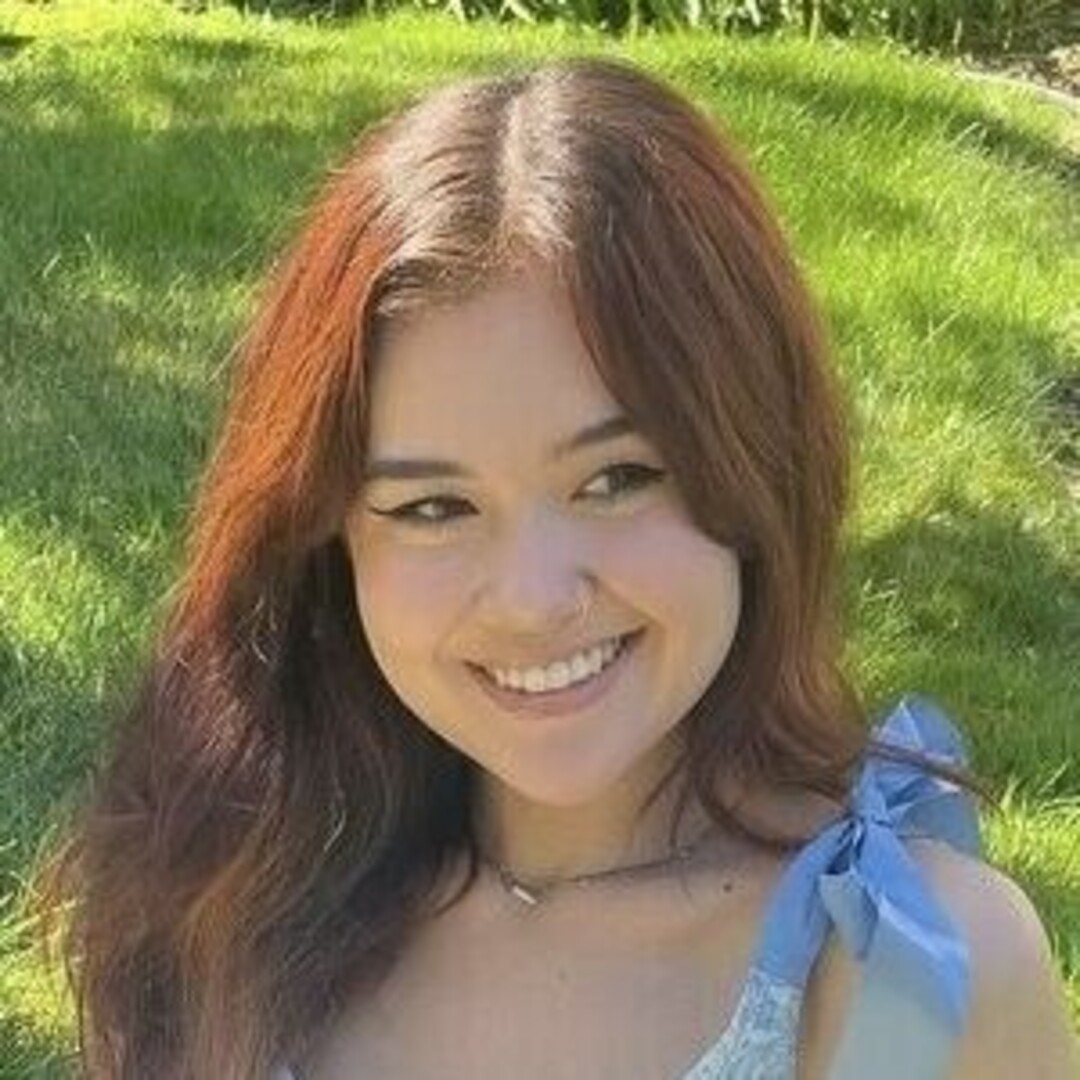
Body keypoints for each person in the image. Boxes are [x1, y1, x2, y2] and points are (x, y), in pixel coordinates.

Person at [35, 58, 1078, 1080]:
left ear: (759, 462)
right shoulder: (224, 899)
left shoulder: (907, 981)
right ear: (328, 542)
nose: (533, 599)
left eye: (617, 480)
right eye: (433, 507)